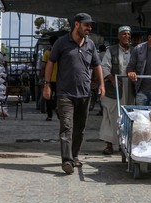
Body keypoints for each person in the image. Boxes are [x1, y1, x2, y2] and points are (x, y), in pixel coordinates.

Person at [42, 12, 105, 175]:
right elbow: (50, 63)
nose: (89, 28)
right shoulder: (62, 43)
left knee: (80, 129)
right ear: (76, 24)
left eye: (90, 25)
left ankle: (74, 156)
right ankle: (67, 160)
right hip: (65, 94)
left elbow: (97, 65)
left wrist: (101, 84)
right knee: (67, 127)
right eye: (86, 25)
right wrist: (47, 84)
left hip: (84, 94)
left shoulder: (90, 44)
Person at [99, 26, 133, 155]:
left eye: (128, 34)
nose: (126, 36)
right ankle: (109, 145)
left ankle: (123, 144)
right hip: (113, 88)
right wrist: (112, 79)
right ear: (119, 36)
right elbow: (104, 67)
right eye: (124, 34)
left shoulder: (134, 51)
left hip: (129, 87)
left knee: (126, 116)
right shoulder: (111, 50)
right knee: (110, 116)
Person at [40, 35, 58, 121]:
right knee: (59, 97)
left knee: (48, 98)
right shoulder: (61, 53)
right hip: (60, 79)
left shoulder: (47, 53)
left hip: (49, 79)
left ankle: (50, 115)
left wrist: (41, 77)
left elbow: (43, 66)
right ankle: (58, 109)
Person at [90, 44, 107, 115]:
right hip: (106, 77)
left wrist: (93, 77)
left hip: (98, 78)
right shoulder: (107, 55)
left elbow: (95, 67)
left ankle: (102, 110)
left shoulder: (98, 55)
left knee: (99, 94)